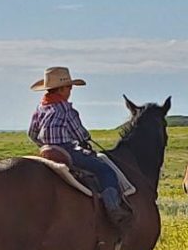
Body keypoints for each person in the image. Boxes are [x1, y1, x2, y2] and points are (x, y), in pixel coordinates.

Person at [27, 66, 130, 227]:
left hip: (46, 151)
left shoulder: (40, 108)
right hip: (66, 150)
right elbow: (79, 134)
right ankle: (114, 209)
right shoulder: (66, 109)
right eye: (69, 87)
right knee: (105, 170)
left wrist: (45, 144)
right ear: (60, 89)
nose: (70, 91)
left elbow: (32, 133)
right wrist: (86, 140)